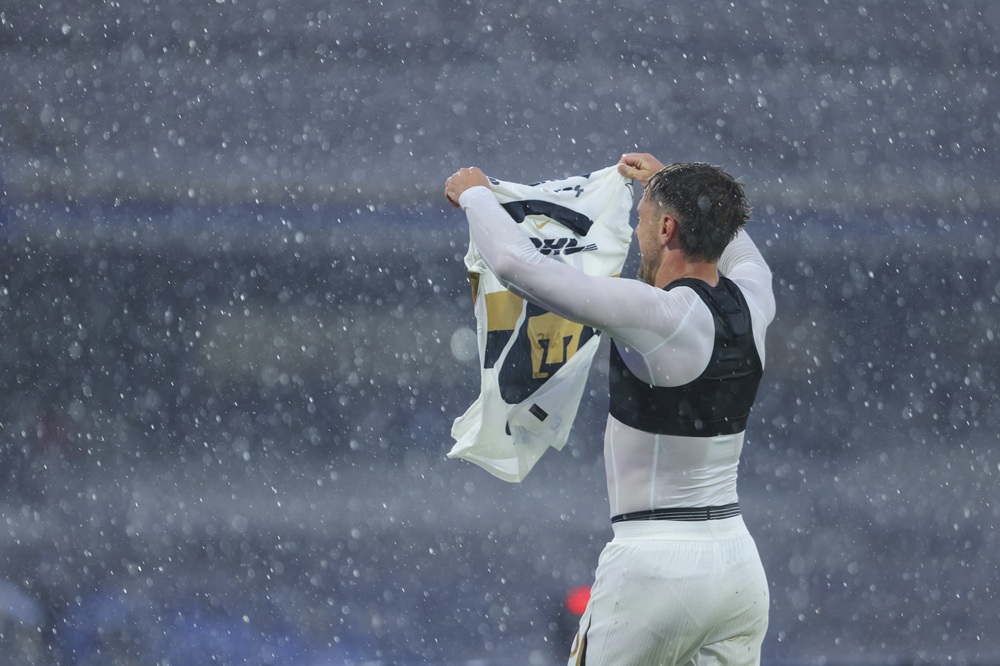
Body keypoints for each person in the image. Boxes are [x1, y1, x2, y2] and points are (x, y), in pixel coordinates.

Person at [445, 152, 775, 666]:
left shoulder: (658, 312)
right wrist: (670, 184)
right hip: (738, 568)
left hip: (657, 567)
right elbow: (739, 246)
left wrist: (475, 195)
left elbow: (517, 267)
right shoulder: (755, 297)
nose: (636, 230)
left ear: (667, 228)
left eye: (642, 218)